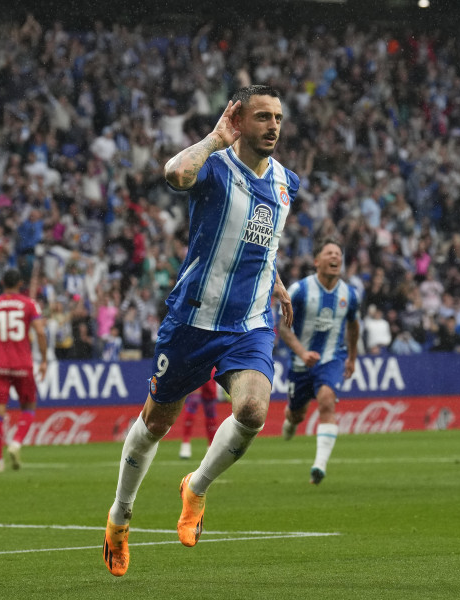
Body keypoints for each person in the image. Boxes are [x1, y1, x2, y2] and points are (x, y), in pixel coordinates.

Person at [102, 85, 297, 577]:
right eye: (262, 117)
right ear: (238, 119)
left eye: (278, 117)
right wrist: (213, 139)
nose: (273, 126)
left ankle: (196, 487)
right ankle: (120, 517)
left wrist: (275, 279)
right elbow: (173, 174)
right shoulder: (213, 167)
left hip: (249, 323)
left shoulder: (286, 183)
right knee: (155, 423)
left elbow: (262, 239)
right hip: (192, 320)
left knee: (253, 410)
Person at [278, 239, 359, 484]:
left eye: (338, 253)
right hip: (301, 363)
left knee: (326, 400)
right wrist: (302, 352)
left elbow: (354, 325)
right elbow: (283, 327)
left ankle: (319, 466)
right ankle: (290, 421)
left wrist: (352, 358)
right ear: (317, 261)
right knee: (297, 414)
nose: (335, 257)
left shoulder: (349, 294)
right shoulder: (300, 290)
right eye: (329, 253)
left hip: (332, 358)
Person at [0, 268, 48, 472]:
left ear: (2, 282)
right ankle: (16, 442)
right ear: (20, 283)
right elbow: (40, 332)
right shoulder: (29, 304)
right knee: (29, 407)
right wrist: (44, 360)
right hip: (23, 364)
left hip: (0, 366)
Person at [178, 369, 220, 459]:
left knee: (210, 410)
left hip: (211, 367)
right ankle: (185, 443)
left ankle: (211, 446)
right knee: (193, 402)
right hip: (196, 366)